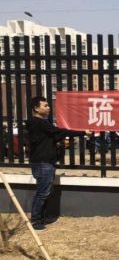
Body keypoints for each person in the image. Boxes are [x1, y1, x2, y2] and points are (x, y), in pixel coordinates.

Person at [25, 96, 91, 230]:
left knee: (45, 192)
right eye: (45, 106)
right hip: (43, 163)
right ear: (36, 108)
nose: (48, 108)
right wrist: (82, 132)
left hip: (43, 162)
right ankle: (36, 221)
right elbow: (59, 132)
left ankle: (42, 218)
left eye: (48, 105)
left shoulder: (39, 124)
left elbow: (55, 135)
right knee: (42, 193)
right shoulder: (39, 123)